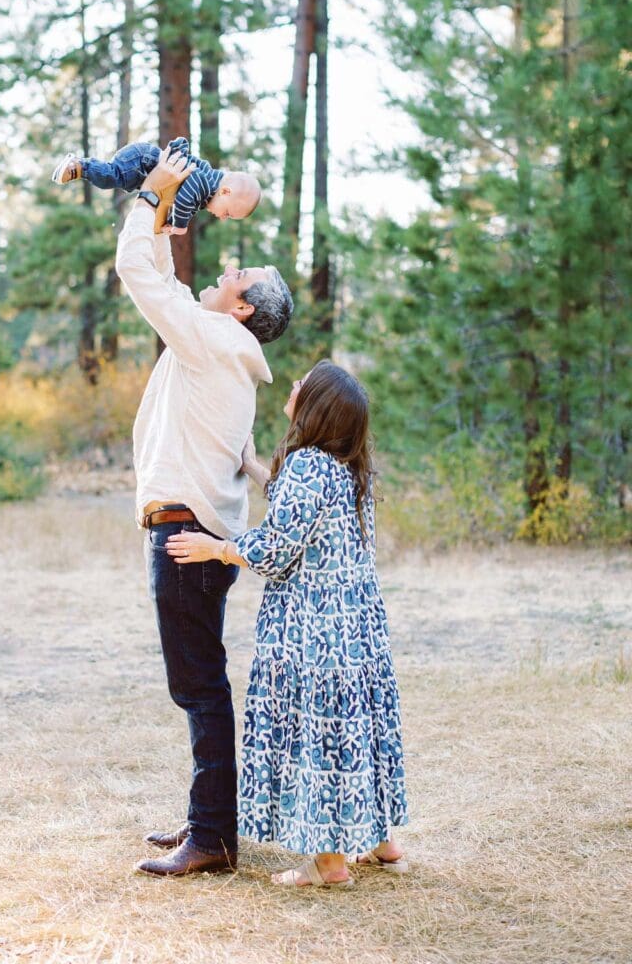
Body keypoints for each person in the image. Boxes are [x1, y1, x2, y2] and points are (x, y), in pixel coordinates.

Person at [113, 145, 293, 879]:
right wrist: (162, 215)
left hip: (186, 534)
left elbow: (137, 276)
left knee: (199, 684)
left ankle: (214, 836)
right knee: (201, 681)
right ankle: (206, 822)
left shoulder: (213, 339)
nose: (225, 272)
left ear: (243, 309)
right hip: (194, 529)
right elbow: (162, 278)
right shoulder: (218, 345)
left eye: (237, 277)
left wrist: (149, 197)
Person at [165, 360, 409, 888]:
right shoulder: (347, 469)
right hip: (356, 630)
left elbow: (277, 547)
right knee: (357, 728)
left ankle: (329, 867)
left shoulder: (306, 468)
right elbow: (301, 508)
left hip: (313, 630)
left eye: (304, 384)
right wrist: (253, 467)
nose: (294, 385)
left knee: (315, 732)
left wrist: (216, 548)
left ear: (315, 409)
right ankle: (383, 843)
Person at [52, 135, 261, 235]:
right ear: (225, 191)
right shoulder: (205, 182)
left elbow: (177, 200)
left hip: (143, 168)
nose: (223, 218)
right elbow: (185, 197)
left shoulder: (206, 192)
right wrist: (179, 226)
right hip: (142, 161)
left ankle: (82, 167)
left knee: (115, 179)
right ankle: (80, 166)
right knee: (111, 176)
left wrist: (167, 221)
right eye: (228, 213)